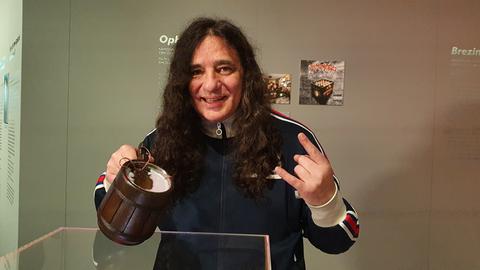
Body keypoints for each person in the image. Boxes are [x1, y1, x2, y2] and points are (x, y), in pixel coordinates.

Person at [94, 17, 359, 269]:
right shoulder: (162, 142)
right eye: (196, 71)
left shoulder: (293, 141)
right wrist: (115, 181)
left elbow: (339, 240)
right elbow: (123, 230)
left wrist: (325, 202)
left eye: (224, 68)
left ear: (246, 74)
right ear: (182, 81)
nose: (210, 84)